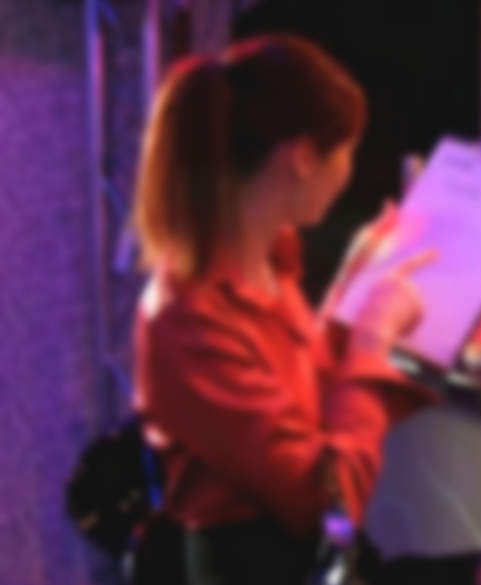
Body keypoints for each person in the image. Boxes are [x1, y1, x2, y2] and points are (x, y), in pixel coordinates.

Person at [131, 34, 457, 584]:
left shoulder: (269, 265)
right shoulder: (187, 319)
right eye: (348, 150)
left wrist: (355, 283)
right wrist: (372, 339)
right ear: (303, 157)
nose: (350, 170)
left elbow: (298, 392)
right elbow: (328, 504)